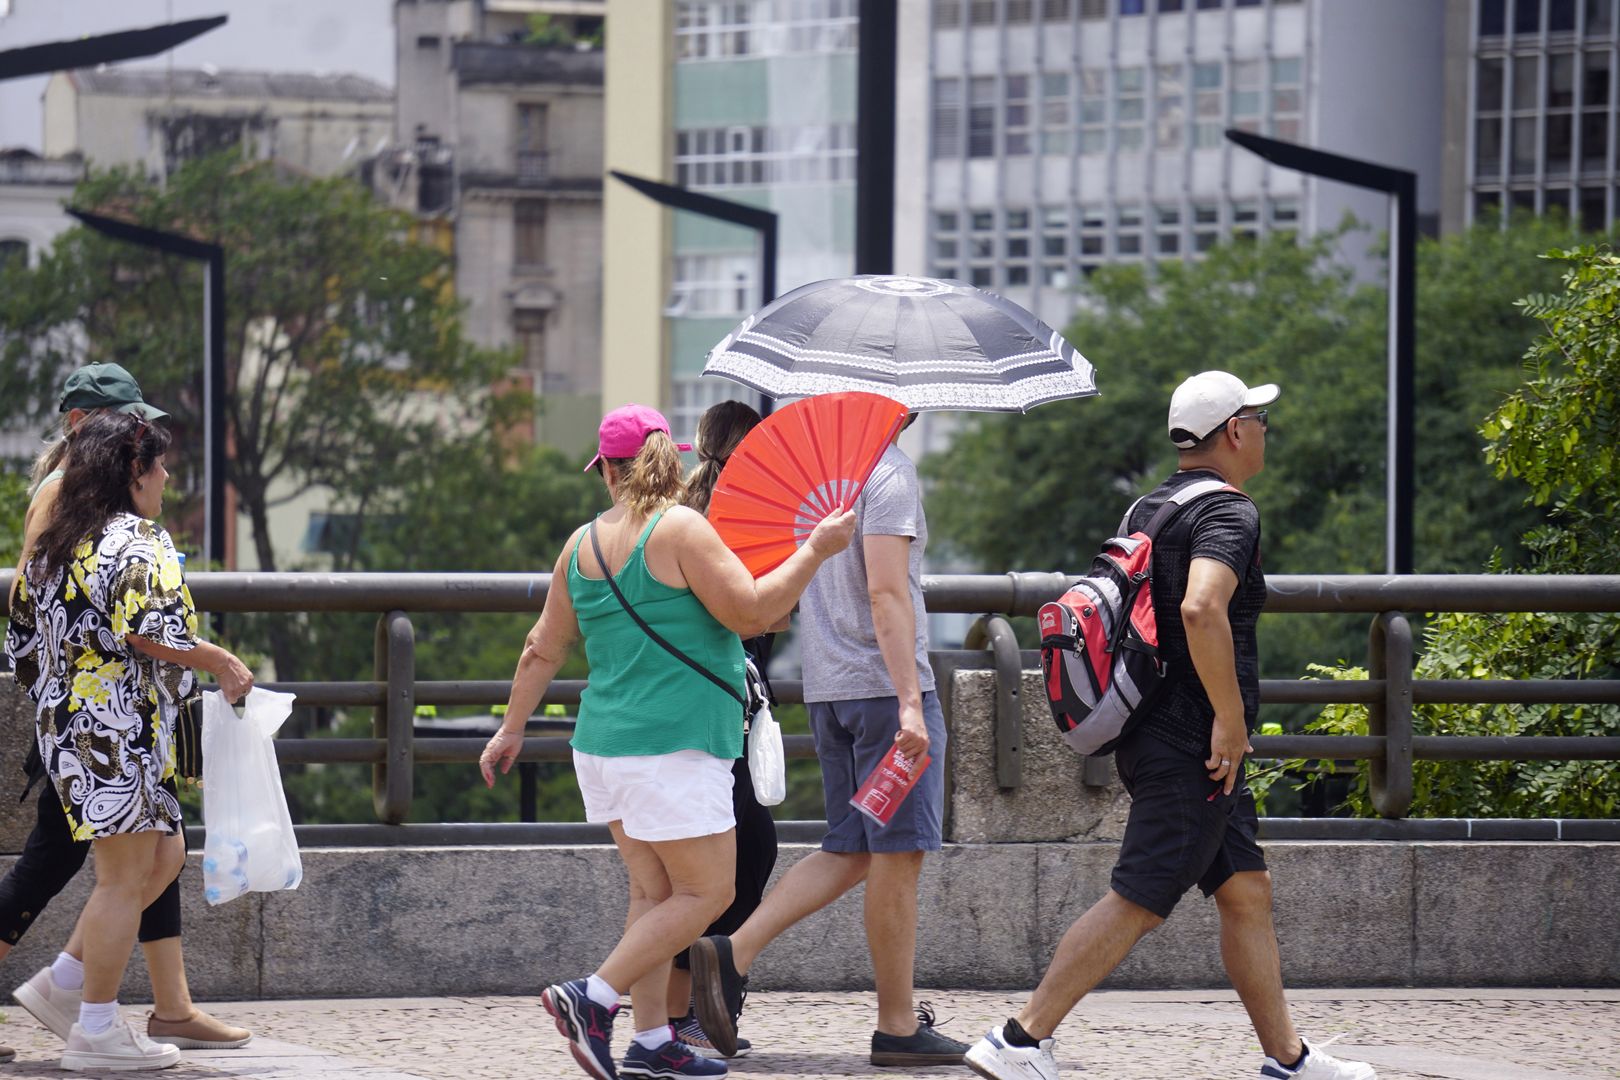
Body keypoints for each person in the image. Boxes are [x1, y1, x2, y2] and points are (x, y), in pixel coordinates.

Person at [962, 372, 1375, 1080]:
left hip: (1153, 728)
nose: (1265, 430)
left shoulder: (1149, 507)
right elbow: (1200, 608)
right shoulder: (1230, 514)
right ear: (1234, 431)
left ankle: (1289, 1059)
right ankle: (1020, 1039)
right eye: (1259, 418)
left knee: (1245, 892)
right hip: (1196, 743)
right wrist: (1230, 718)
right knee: (1141, 897)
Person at [478, 404, 854, 1080]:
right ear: (668, 458)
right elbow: (755, 612)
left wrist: (511, 727)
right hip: (674, 746)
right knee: (709, 894)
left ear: (607, 473)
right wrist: (817, 549)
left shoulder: (583, 543)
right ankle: (592, 997)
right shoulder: (682, 529)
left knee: (652, 893)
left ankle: (651, 1041)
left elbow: (541, 648)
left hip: (604, 747)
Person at [690, 415, 969, 1068]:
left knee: (850, 847)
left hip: (830, 690)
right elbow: (887, 592)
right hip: (885, 691)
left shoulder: (824, 474)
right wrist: (910, 704)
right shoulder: (890, 473)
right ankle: (897, 1026)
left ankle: (734, 952)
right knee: (897, 857)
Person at [1, 364, 252, 1062]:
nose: (168, 479)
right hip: (122, 728)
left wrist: (67, 691)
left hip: (69, 724)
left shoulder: (57, 543)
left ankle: (70, 981)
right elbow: (153, 632)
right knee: (119, 880)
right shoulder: (138, 542)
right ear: (132, 468)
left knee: (164, 853)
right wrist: (221, 662)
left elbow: (20, 638)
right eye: (160, 466)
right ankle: (97, 1028)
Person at [666, 400, 779, 1059]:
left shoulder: (698, 512)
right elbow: (753, 616)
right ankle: (692, 1000)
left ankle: (690, 1002)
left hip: (710, 706)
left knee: (729, 858)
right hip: (714, 709)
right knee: (738, 859)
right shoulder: (724, 519)